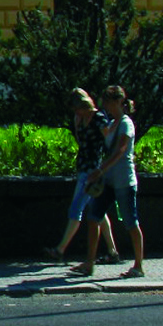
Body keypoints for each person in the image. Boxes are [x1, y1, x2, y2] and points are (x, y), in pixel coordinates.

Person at [75, 83, 146, 278]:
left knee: (131, 222)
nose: (104, 105)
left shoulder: (125, 123)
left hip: (124, 181)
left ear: (118, 101)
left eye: (107, 101)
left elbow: (120, 150)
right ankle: (89, 263)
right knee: (93, 217)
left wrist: (100, 170)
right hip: (108, 182)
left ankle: (138, 265)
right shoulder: (112, 123)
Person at [48, 87, 119, 267]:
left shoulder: (99, 118)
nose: (75, 112)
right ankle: (112, 251)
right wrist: (78, 122)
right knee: (98, 212)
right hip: (83, 167)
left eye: (76, 108)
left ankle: (60, 249)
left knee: (76, 208)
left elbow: (110, 140)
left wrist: (107, 166)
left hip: (92, 171)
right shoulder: (80, 119)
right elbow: (81, 143)